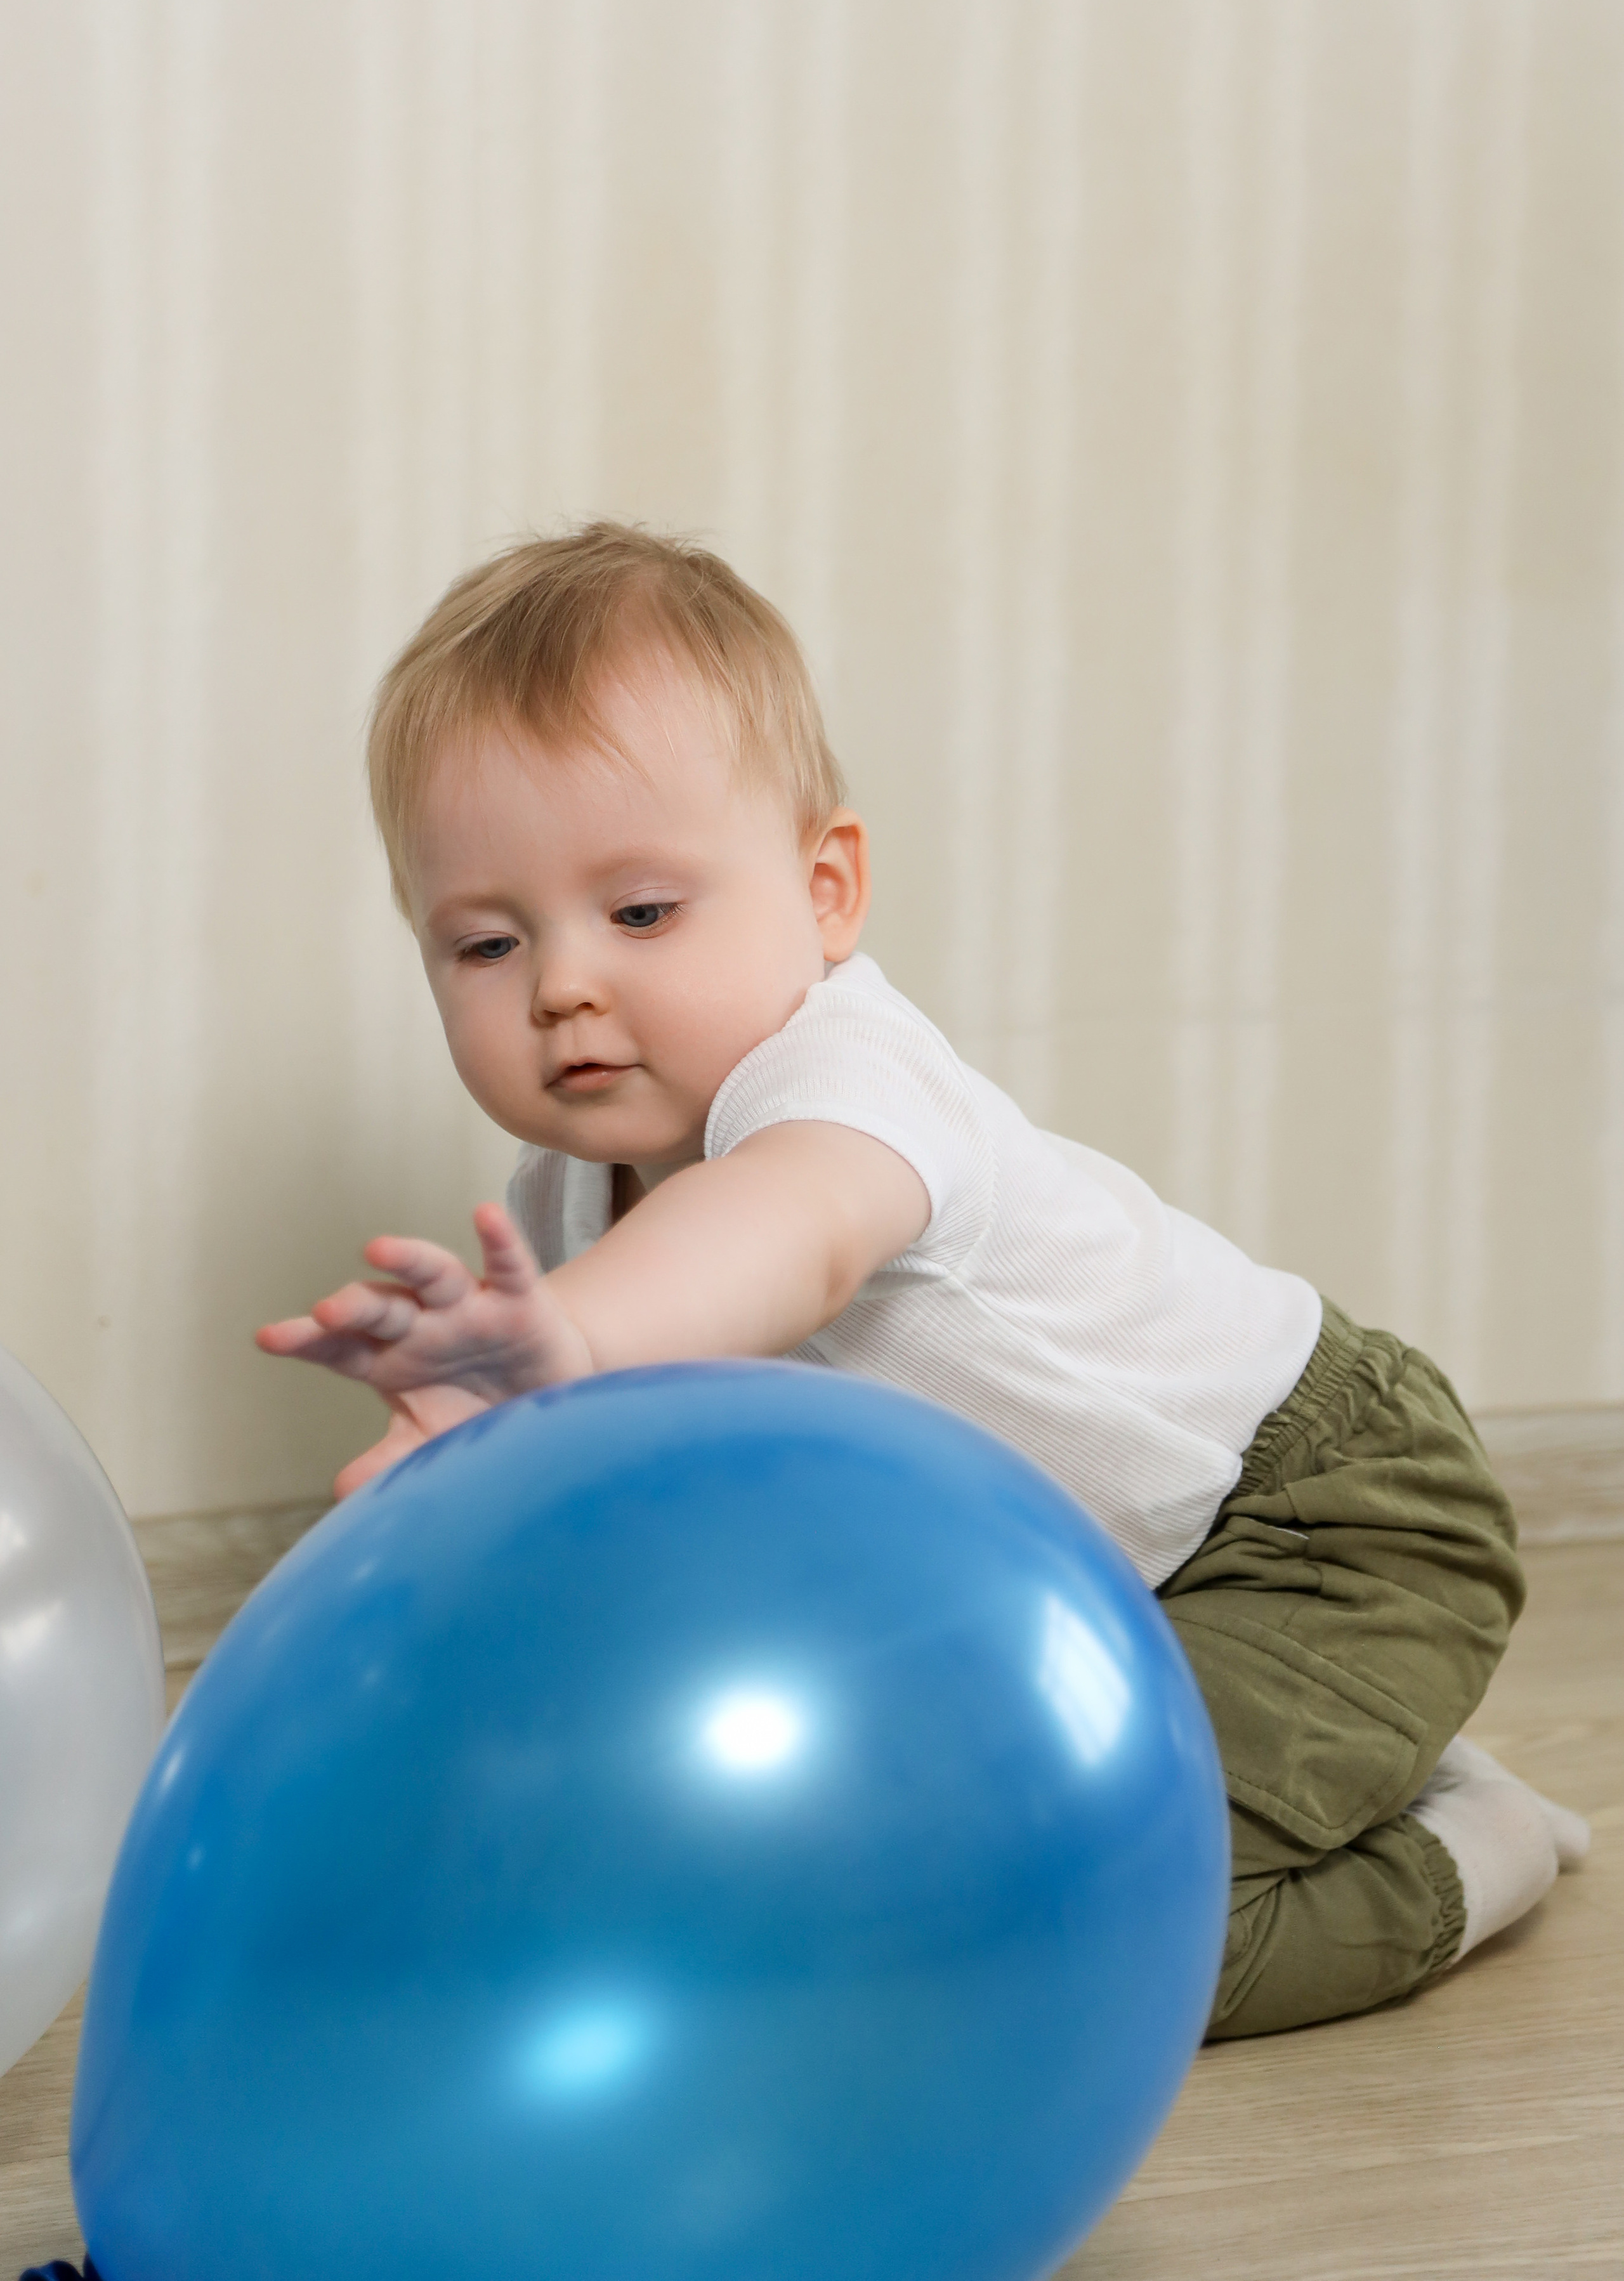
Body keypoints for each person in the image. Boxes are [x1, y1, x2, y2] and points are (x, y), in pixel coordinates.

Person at [258, 521, 1588, 2040]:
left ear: (825, 894)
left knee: (1080, 1956)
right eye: (486, 943)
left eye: (640, 913)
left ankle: (1459, 1842)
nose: (565, 983)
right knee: (878, 1896)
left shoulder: (845, 1087)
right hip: (1060, 1593)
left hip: (1309, 1525)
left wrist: (565, 1339)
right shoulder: (565, 1206)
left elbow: (784, 1232)